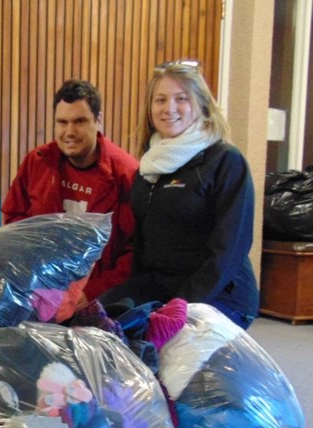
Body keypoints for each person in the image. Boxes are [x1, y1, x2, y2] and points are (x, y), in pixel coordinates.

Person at [98, 61, 259, 329]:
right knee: (96, 321)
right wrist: (130, 300)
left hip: (218, 292)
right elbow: (143, 244)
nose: (168, 108)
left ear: (202, 105)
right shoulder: (150, 167)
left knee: (165, 346)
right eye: (160, 100)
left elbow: (228, 251)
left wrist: (182, 305)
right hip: (161, 284)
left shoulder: (225, 161)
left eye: (181, 99)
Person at [2, 80, 138, 303]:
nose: (69, 132)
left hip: (99, 298)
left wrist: (89, 295)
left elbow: (134, 251)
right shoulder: (36, 163)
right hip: (39, 291)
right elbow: (14, 224)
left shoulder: (125, 173)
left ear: (99, 120)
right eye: (62, 122)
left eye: (80, 121)